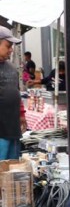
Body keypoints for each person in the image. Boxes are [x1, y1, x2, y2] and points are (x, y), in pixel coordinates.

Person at [0, 26, 25, 161]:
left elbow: (16, 92)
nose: (11, 50)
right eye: (8, 46)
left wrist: (21, 114)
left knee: (13, 170)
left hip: (13, 129)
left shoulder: (11, 67)